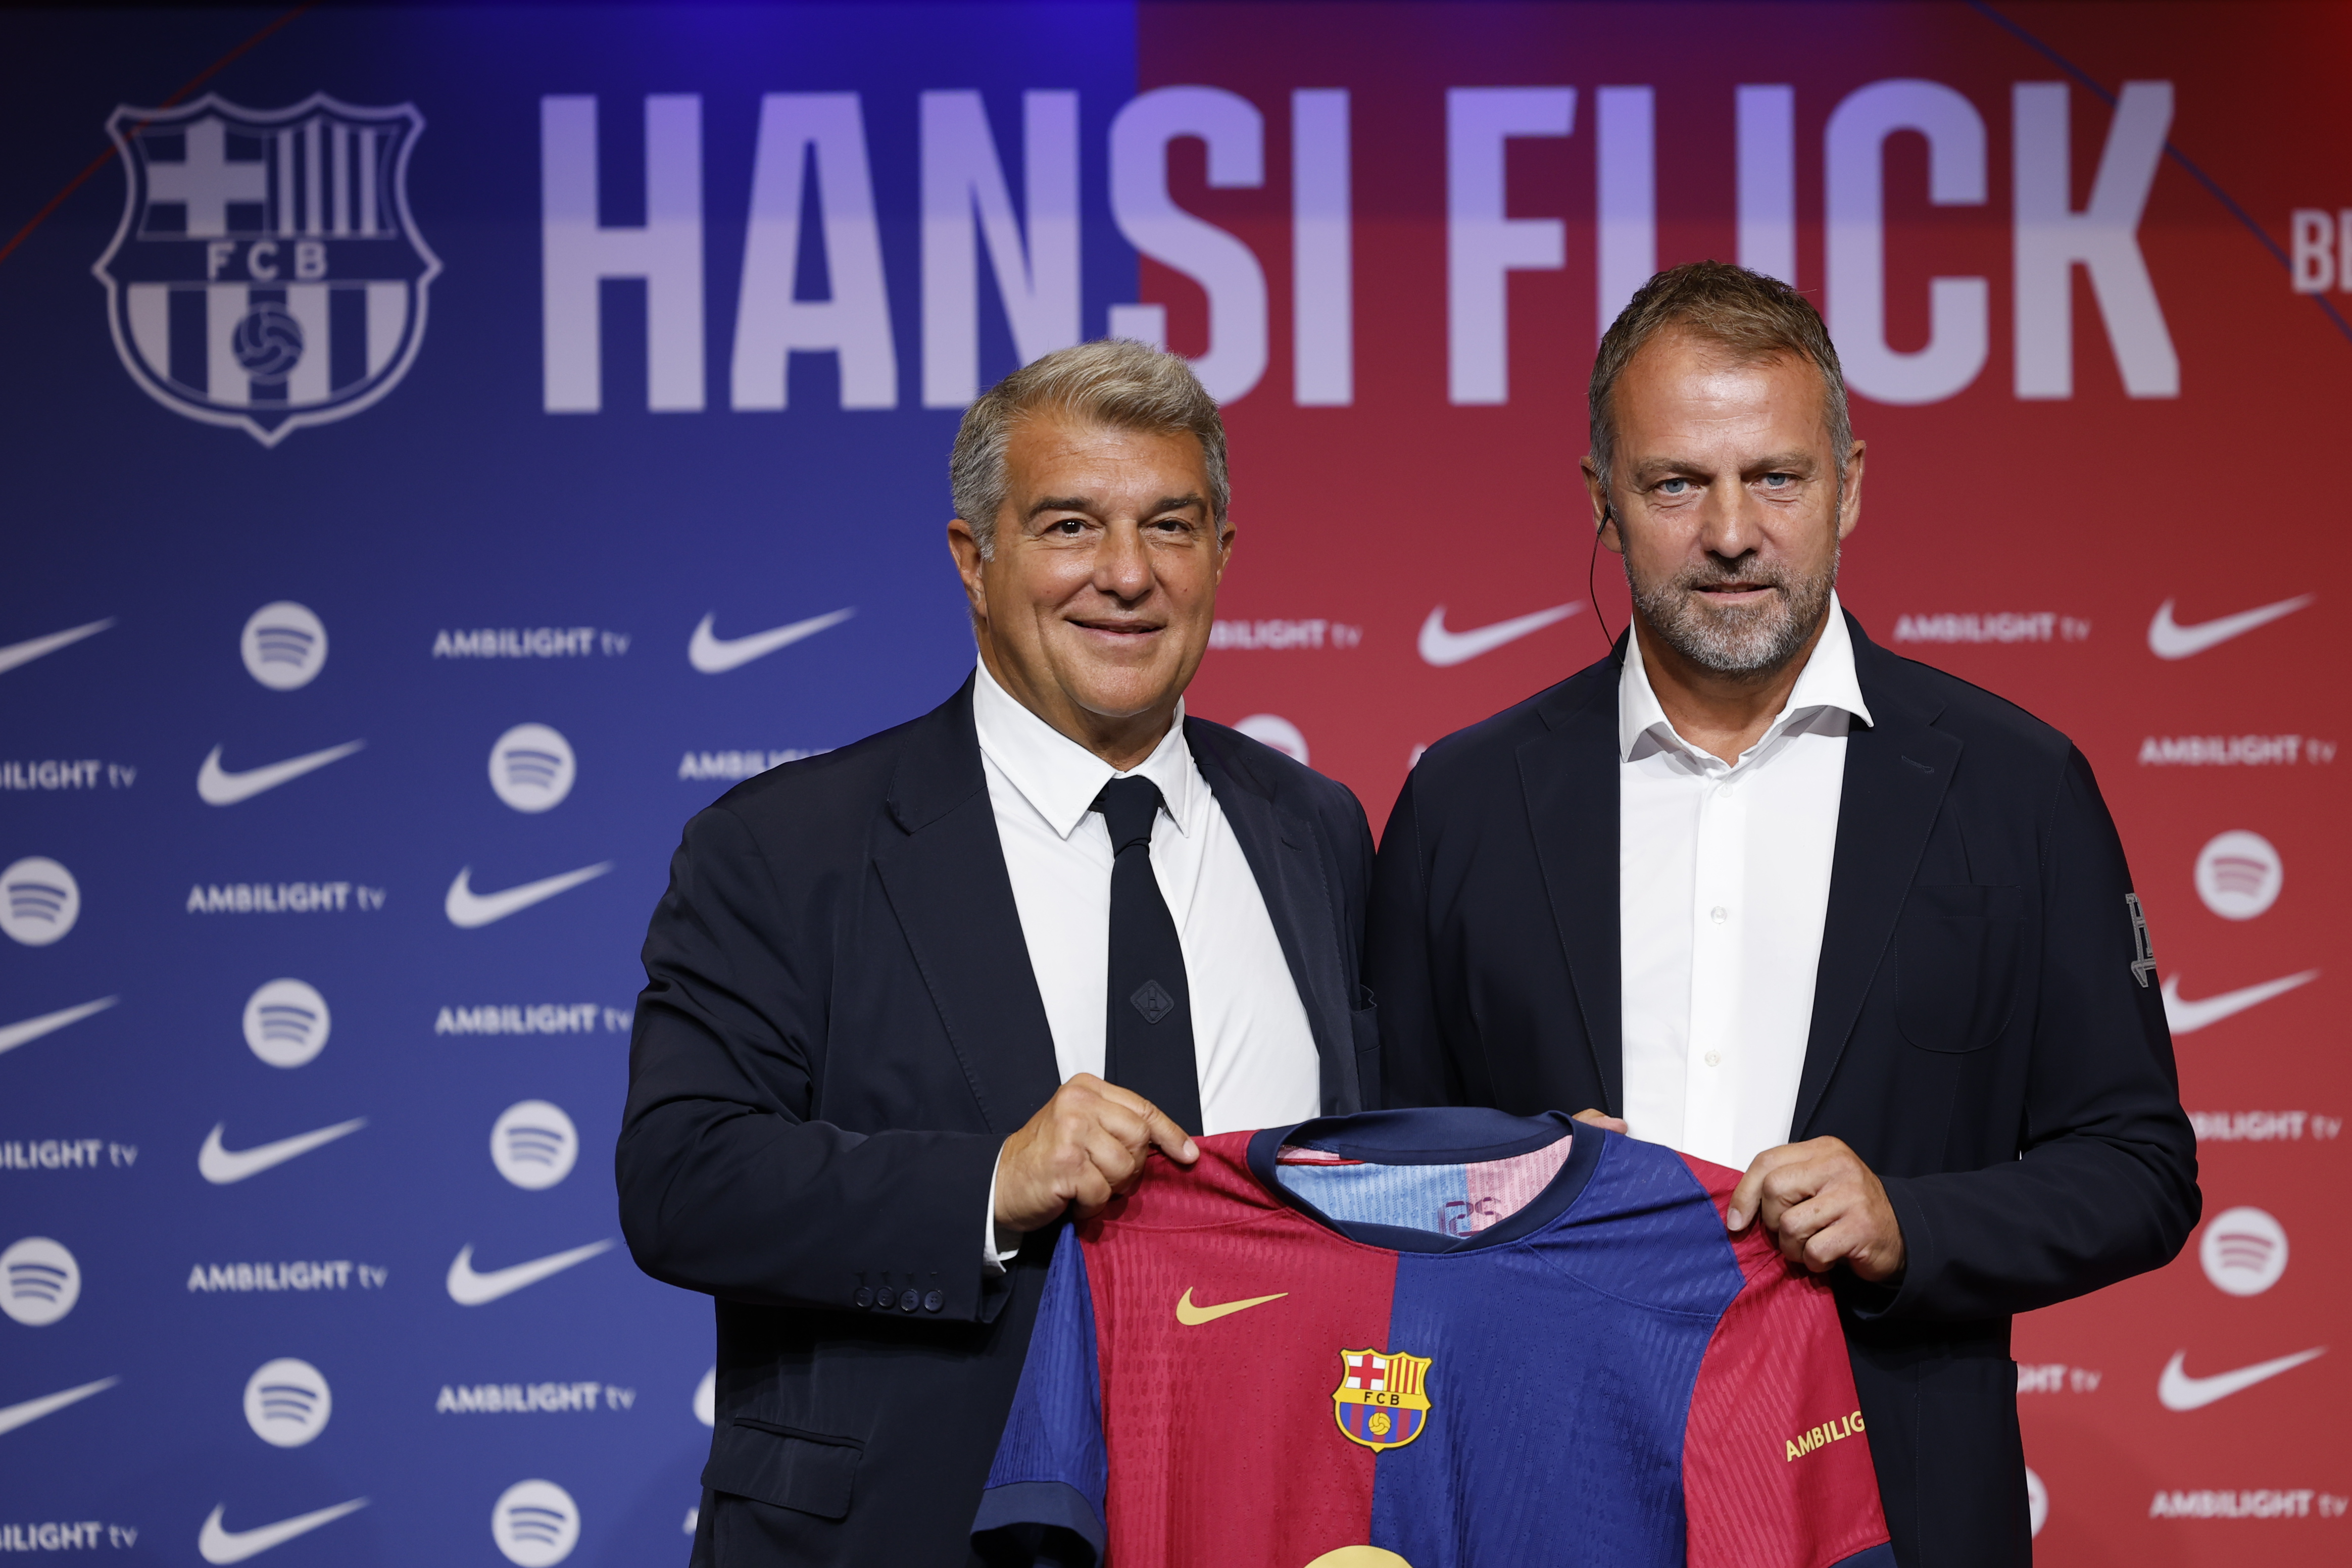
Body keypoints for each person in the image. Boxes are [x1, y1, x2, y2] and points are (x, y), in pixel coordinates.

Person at [1367, 261, 2197, 1565]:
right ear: (1602, 502)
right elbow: (1370, 1174)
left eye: (1778, 477)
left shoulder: (2018, 785)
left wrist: (1905, 1221)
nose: (1733, 533)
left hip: (1897, 1504)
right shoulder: (1464, 803)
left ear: (1851, 486)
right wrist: (1508, 1180)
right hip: (1544, 1494)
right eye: (1676, 483)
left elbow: (2141, 1172)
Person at [617, 338, 1378, 1567]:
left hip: (1271, 1521)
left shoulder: (1317, 829)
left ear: (1222, 557)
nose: (1126, 575)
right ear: (977, 560)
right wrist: (992, 1182)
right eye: (1072, 525)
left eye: (1170, 526)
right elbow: (680, 1181)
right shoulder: (786, 846)